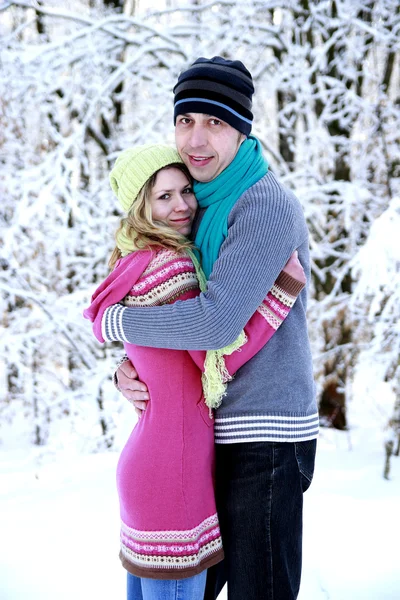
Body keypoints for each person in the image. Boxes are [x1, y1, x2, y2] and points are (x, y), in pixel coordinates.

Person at [103, 57, 318, 600]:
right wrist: (128, 367)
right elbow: (175, 313)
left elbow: (216, 322)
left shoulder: (263, 205)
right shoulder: (196, 203)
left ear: (242, 129)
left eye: (214, 123)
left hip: (263, 436)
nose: (195, 139)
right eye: (185, 120)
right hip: (205, 435)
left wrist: (120, 322)